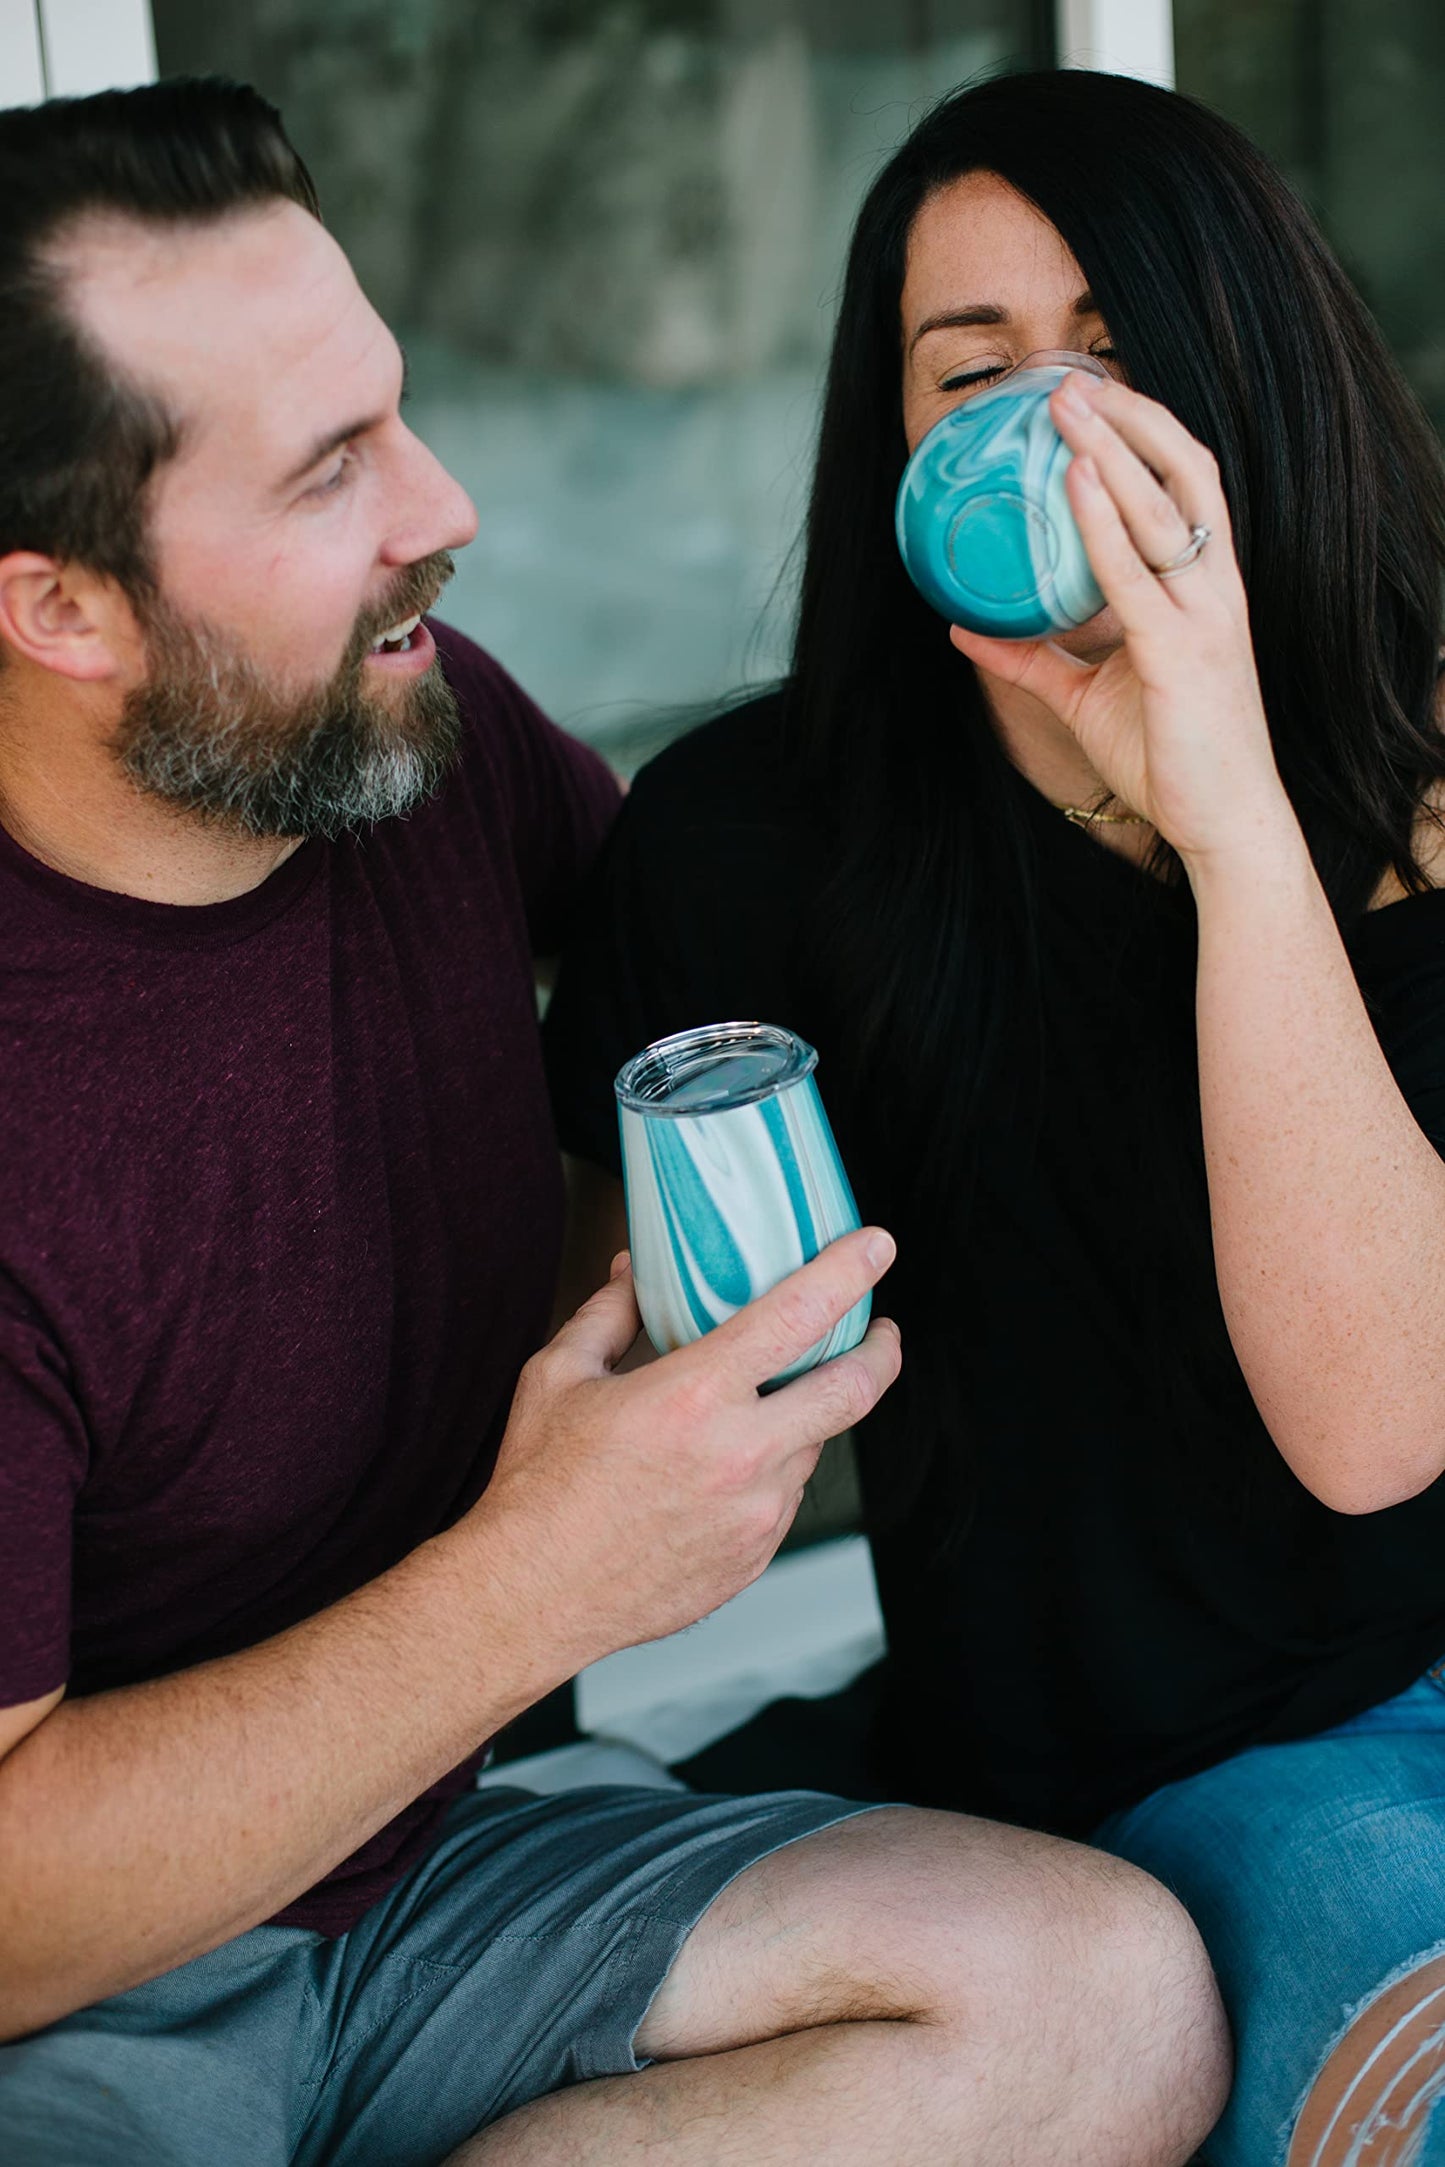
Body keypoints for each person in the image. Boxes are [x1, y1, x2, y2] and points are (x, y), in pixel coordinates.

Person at [0, 77, 1228, 2167]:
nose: (440, 503)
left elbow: (755, 892)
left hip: (448, 1875)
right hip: (79, 2009)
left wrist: (1211, 741)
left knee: (1103, 2001)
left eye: (394, 410)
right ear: (64, 611)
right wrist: (537, 1586)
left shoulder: (412, 735)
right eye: (328, 475)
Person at [544, 64, 1445, 2167]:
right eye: (976, 369)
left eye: (1117, 357)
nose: (1050, 421)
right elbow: (634, 1404)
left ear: (1252, 380)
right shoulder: (749, 843)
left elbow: (1387, 1407)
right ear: (894, 441)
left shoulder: (1413, 787)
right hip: (1159, 1780)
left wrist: (1221, 791)